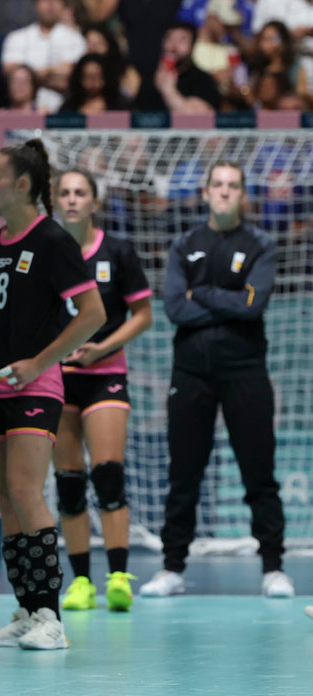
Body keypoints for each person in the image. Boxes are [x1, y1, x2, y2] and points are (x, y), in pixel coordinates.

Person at [0, 139, 104, 650]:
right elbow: (4, 314)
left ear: (22, 185)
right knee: (6, 499)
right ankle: (26, 608)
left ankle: (51, 618)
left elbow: (93, 314)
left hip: (35, 385)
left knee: (24, 491)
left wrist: (42, 361)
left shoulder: (53, 240)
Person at [141, 161, 294, 599]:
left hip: (245, 370)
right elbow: (173, 307)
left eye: (233, 186)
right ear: (205, 192)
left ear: (243, 195)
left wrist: (201, 294)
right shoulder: (184, 244)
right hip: (190, 373)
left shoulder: (261, 244)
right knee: (184, 474)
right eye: (218, 185)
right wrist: (223, 299)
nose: (225, 192)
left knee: (259, 472)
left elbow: (252, 304)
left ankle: (273, 568)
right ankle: (172, 569)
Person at [51, 170, 151, 613]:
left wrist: (101, 348)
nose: (72, 200)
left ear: (94, 202)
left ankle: (118, 577)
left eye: (80, 193)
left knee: (108, 474)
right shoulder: (47, 253)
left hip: (105, 372)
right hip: (58, 378)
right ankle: (81, 583)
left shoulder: (118, 251)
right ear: (55, 201)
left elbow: (143, 314)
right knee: (69, 482)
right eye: (65, 193)